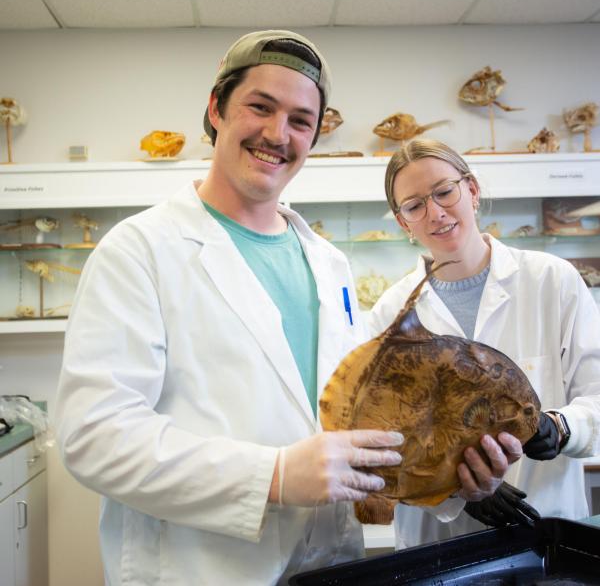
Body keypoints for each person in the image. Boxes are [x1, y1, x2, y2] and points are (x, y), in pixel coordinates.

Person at [56, 33, 514, 585]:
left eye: (301, 120)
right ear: (216, 109)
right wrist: (271, 476)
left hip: (327, 565)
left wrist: (450, 482)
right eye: (260, 107)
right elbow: (95, 436)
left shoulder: (328, 263)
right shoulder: (140, 250)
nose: (278, 134)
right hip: (199, 570)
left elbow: (356, 420)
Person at [369, 138, 600, 549]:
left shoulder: (552, 281)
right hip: (437, 544)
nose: (436, 213)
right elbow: (385, 439)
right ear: (402, 221)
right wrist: (452, 492)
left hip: (544, 527)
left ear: (471, 191)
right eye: (414, 205)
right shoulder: (391, 314)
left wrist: (563, 427)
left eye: (444, 192)